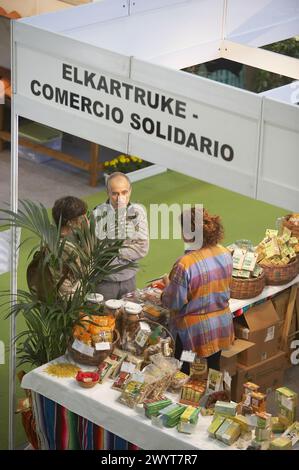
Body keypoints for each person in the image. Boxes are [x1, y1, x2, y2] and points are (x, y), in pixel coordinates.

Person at [161, 207, 234, 373]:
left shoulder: (185, 263)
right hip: (220, 326)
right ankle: (213, 398)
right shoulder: (225, 252)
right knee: (213, 371)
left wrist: (167, 286)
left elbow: (174, 302)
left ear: (187, 234)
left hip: (193, 335)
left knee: (186, 376)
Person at [93, 171, 149, 300]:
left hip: (130, 279)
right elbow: (98, 251)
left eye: (124, 192)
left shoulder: (138, 213)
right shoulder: (97, 214)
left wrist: (116, 250)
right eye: (115, 193)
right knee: (104, 318)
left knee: (128, 318)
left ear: (130, 191)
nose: (120, 198)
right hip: (104, 281)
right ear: (108, 192)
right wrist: (128, 245)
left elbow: (143, 248)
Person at [51, 196, 88, 297]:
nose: (85, 220)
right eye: (82, 217)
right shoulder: (68, 248)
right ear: (70, 222)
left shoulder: (49, 238)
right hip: (69, 300)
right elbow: (84, 273)